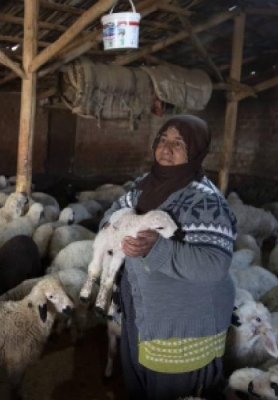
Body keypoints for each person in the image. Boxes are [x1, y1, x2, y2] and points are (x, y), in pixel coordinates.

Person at [100, 115, 236, 399]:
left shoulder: (206, 201)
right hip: (140, 313)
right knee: (138, 384)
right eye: (162, 140)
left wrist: (156, 248)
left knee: (171, 391)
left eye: (178, 144)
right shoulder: (141, 186)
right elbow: (111, 215)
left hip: (181, 325)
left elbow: (215, 265)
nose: (166, 149)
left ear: (196, 151)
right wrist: (112, 229)